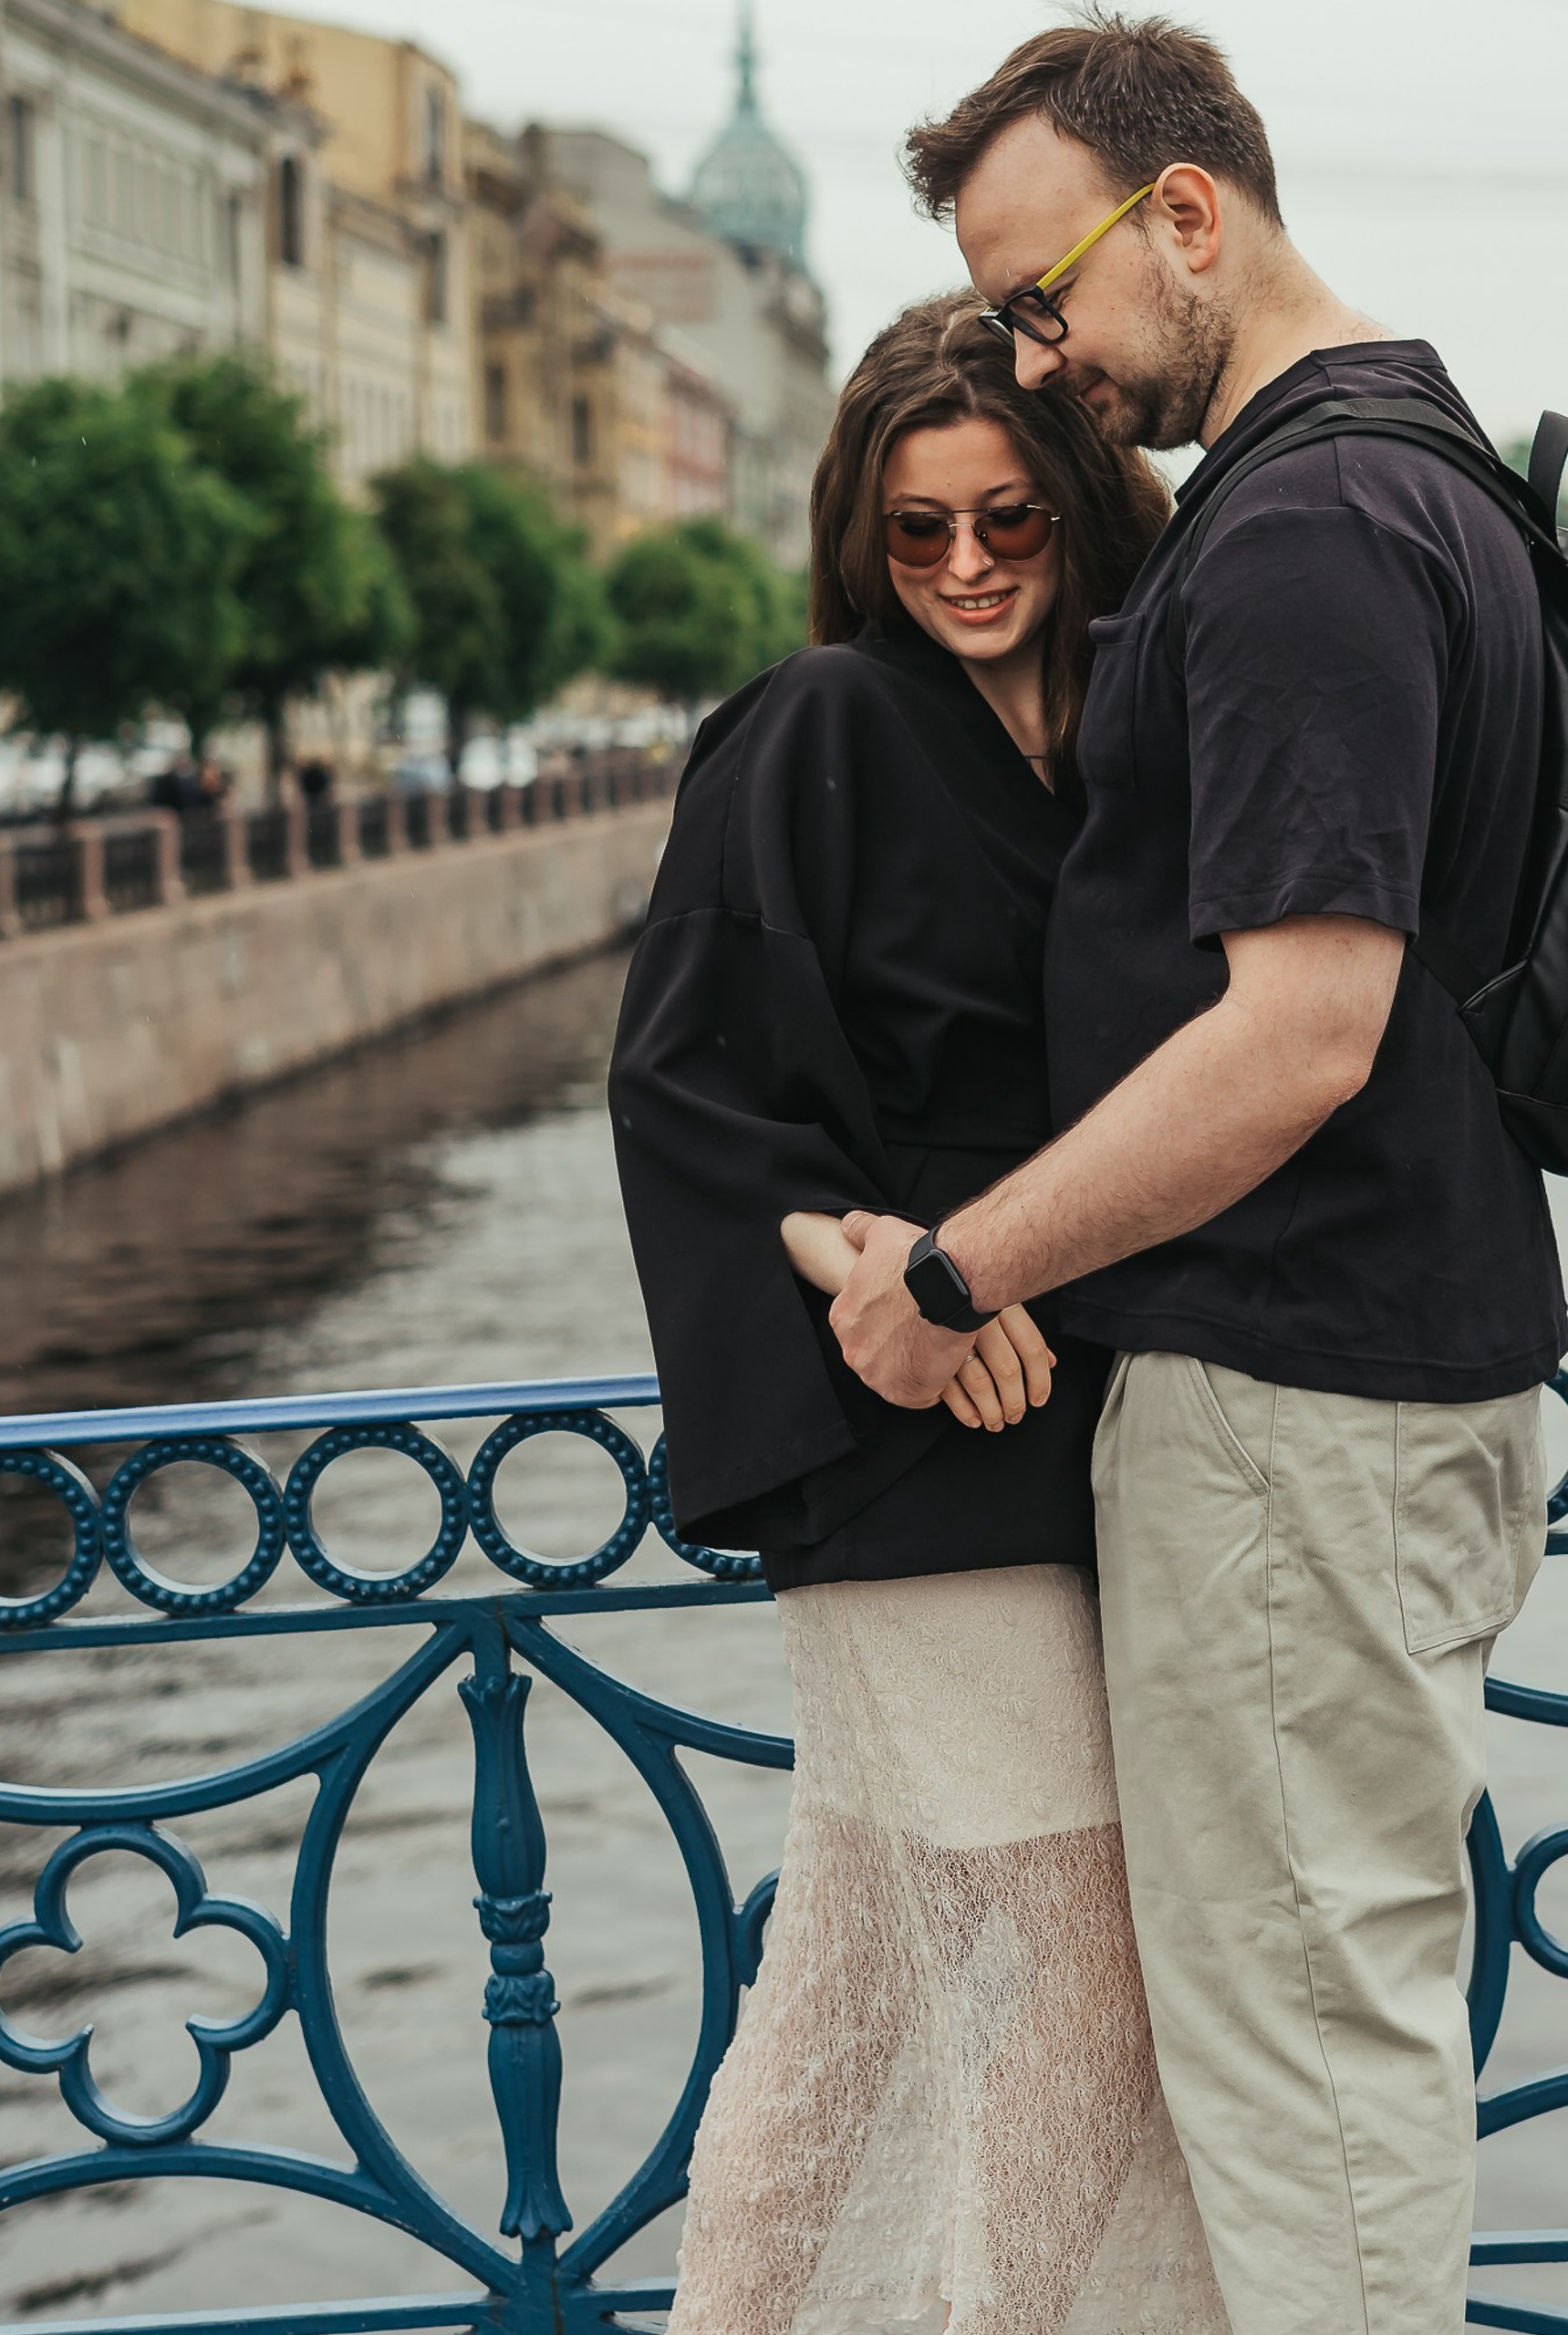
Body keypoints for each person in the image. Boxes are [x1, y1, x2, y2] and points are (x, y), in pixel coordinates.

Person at [826, 16, 1568, 2334]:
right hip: (1380, 1382)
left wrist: (956, 1271)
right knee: (1335, 2030)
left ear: (1182, 213)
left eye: (1039, 289)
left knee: (1301, 2076)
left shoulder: (1302, 526)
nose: (1034, 353)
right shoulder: (1431, 465)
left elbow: (1295, 1032)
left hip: (1288, 1407)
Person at [608, 294, 1227, 2334]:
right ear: (857, 540)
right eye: (913, 531)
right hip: (906, 1424)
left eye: (1007, 523)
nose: (963, 566)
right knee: (1080, 1956)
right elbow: (683, 1085)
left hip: (1090, 1430)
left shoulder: (1138, 732)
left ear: (1077, 509)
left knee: (857, 1978)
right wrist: (878, 1261)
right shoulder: (819, 723)